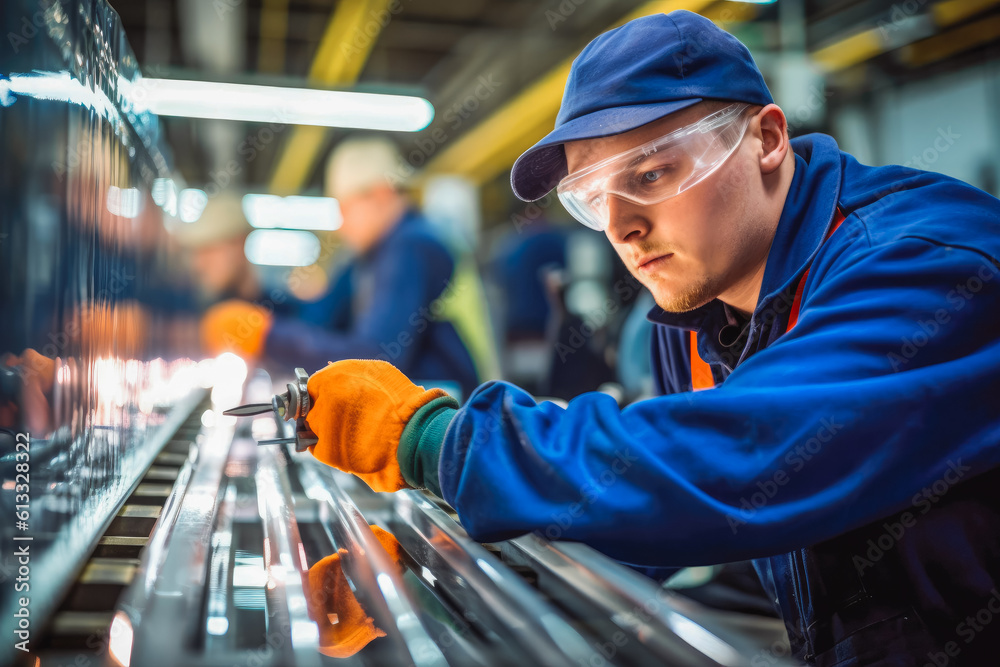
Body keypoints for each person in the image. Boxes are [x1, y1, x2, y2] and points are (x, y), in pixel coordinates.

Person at [294, 12, 1000, 666]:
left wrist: (436, 441)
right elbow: (655, 515)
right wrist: (441, 567)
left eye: (653, 173)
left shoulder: (929, 264)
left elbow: (731, 459)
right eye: (594, 198)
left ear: (767, 138)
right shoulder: (697, 314)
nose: (622, 227)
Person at [201, 136, 490, 398]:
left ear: (380, 195)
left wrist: (266, 335)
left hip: (449, 420)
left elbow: (376, 358)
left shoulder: (412, 246)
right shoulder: (369, 257)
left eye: (345, 209)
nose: (340, 224)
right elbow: (319, 316)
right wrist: (254, 309)